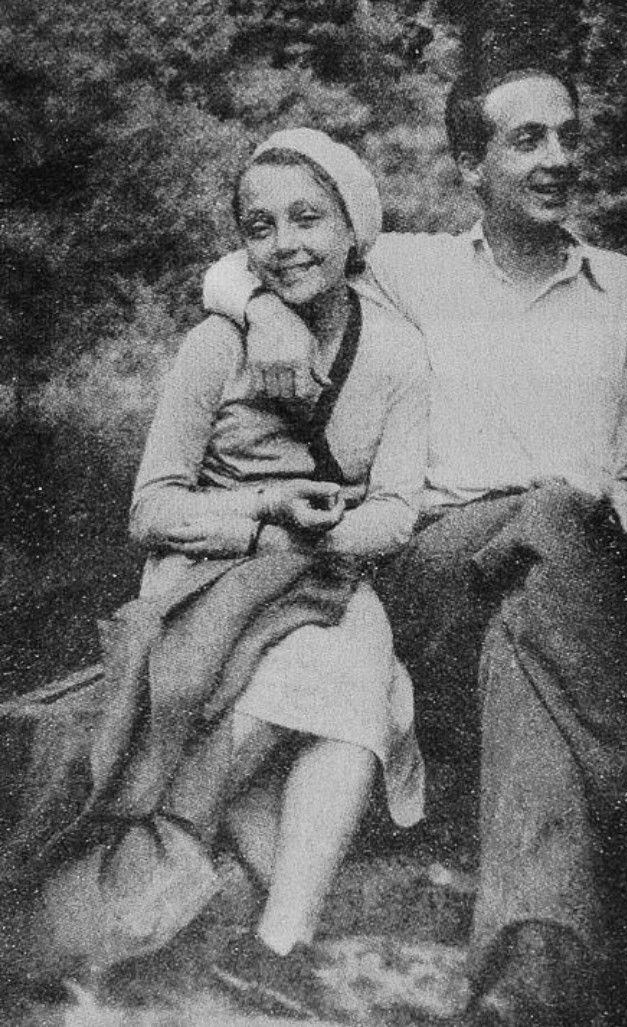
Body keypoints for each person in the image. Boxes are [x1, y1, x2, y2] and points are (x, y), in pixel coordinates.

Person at [202, 67, 627, 1026]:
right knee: (548, 517)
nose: (559, 158)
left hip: (559, 577)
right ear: (469, 167)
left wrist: (589, 565)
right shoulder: (413, 265)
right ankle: (610, 772)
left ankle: (529, 976)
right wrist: (265, 311)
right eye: (527, 139)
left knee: (560, 547)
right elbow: (256, 259)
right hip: (435, 572)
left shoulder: (626, 288)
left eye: (568, 136)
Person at [0, 128, 427, 1018]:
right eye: (259, 225)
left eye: (308, 218)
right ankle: (273, 924)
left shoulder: (396, 352)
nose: (285, 244)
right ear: (242, 241)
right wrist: (259, 517)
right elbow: (150, 508)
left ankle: (272, 935)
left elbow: (398, 504)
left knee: (355, 649)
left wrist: (325, 535)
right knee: (356, 681)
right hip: (207, 575)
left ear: (355, 228)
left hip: (323, 568)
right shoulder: (214, 344)